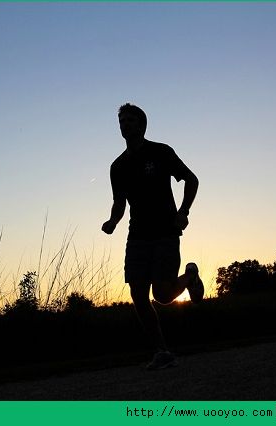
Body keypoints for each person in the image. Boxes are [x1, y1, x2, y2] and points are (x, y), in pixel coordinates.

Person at [102, 103, 204, 370]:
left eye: (130, 120)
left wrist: (183, 211)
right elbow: (119, 202)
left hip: (165, 232)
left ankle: (190, 276)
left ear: (141, 125)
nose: (125, 125)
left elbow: (191, 180)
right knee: (138, 294)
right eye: (122, 121)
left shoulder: (161, 152)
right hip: (137, 236)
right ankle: (162, 352)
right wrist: (112, 221)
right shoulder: (118, 166)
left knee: (161, 294)